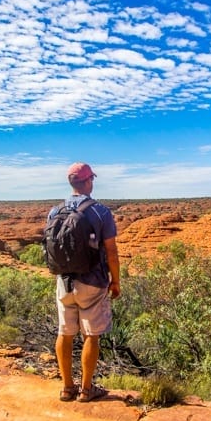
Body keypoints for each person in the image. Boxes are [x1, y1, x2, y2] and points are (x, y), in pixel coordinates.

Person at [50, 162, 121, 402]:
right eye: (92, 179)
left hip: (64, 280)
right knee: (91, 335)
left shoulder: (54, 211)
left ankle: (67, 387)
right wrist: (116, 282)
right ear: (88, 181)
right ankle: (86, 389)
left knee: (65, 332)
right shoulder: (100, 211)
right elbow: (111, 251)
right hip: (92, 280)